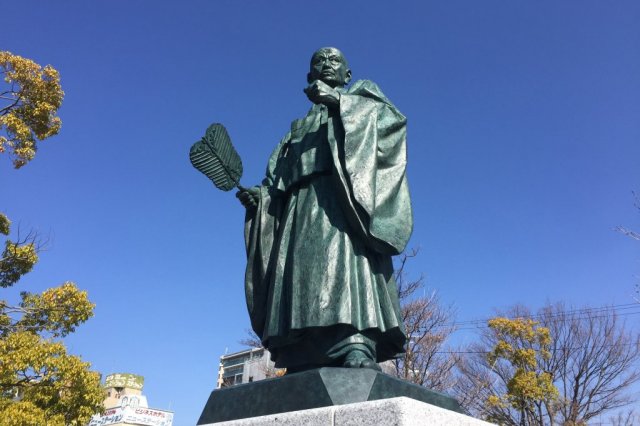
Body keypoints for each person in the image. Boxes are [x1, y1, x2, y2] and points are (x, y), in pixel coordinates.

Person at [237, 47, 412, 372]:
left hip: (342, 201)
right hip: (299, 209)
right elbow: (277, 179)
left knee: (346, 264)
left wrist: (340, 103)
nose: (326, 64)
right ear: (309, 76)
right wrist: (261, 200)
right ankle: (302, 350)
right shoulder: (295, 129)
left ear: (347, 74)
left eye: (334, 60)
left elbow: (392, 126)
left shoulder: (362, 97)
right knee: (298, 274)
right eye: (318, 60)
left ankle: (356, 342)